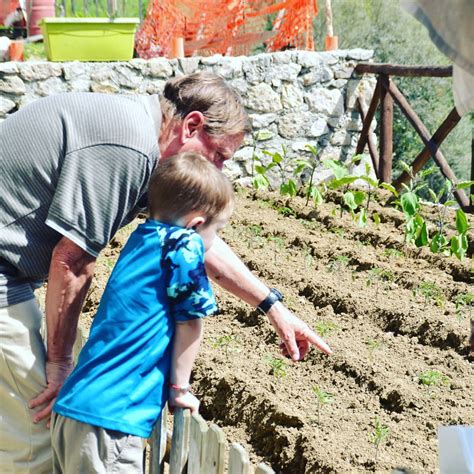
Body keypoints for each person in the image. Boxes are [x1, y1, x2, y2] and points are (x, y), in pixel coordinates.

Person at [0, 71, 331, 474]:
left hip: (11, 272)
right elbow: (71, 263)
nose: (220, 171)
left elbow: (196, 239)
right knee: (35, 433)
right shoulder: (128, 150)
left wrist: (273, 307)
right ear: (192, 126)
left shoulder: (148, 146)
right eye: (221, 156)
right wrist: (58, 365)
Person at [51, 152, 233, 473]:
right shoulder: (183, 244)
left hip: (75, 410)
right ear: (195, 225)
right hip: (112, 422)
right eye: (215, 232)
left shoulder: (143, 237)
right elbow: (190, 322)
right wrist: (180, 389)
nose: (213, 243)